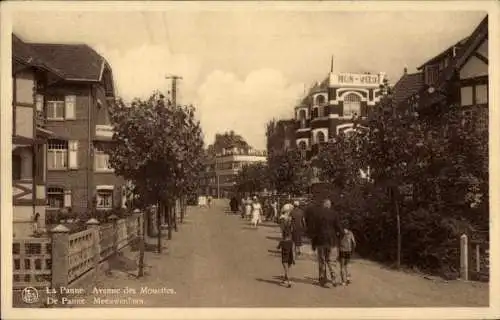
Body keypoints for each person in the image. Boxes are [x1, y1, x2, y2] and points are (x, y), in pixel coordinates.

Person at [308, 199, 342, 288]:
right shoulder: (335, 214)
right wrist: (340, 237)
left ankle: (323, 280)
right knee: (331, 260)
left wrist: (313, 243)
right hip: (332, 241)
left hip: (320, 241)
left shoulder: (317, 215)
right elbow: (338, 227)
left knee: (322, 260)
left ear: (323, 205)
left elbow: (314, 230)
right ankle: (334, 279)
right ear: (329, 205)